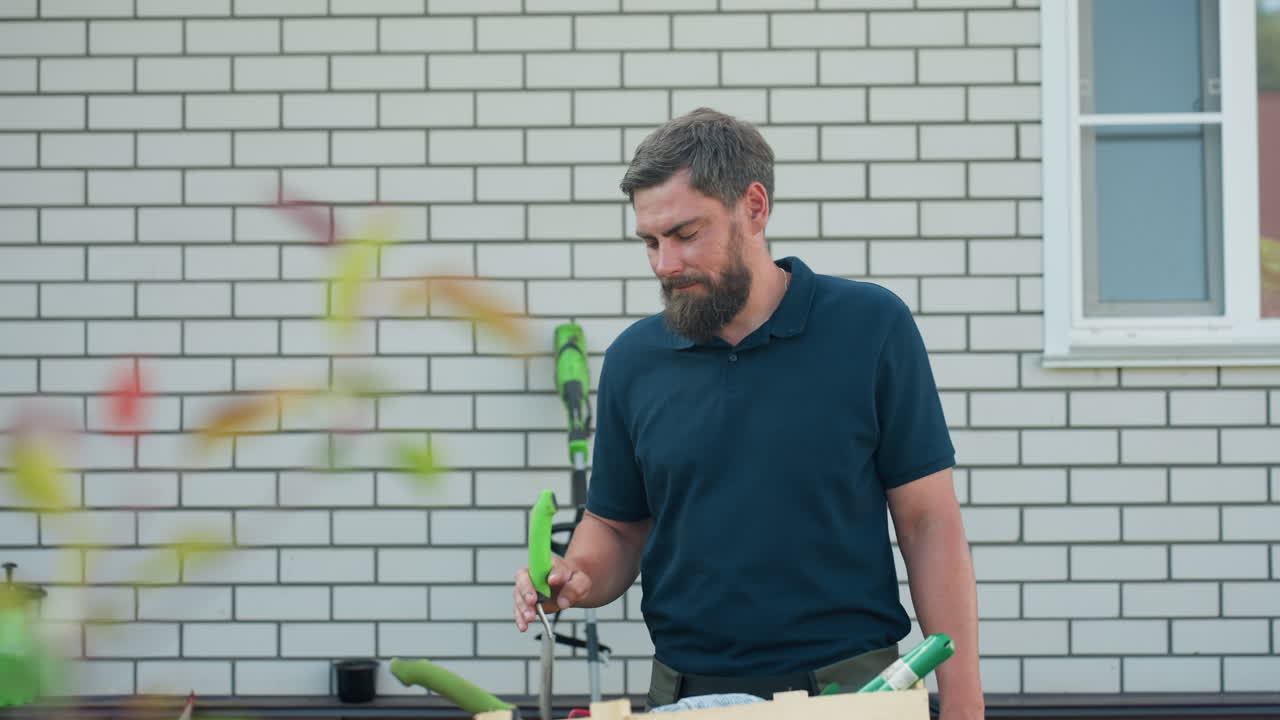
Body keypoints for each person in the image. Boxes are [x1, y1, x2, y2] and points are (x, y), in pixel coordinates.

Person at [513, 108, 983, 720]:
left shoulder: (870, 327)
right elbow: (620, 526)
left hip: (853, 693)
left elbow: (928, 526)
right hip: (684, 696)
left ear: (754, 209)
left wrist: (965, 704)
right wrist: (574, 574)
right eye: (650, 242)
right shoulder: (634, 359)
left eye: (685, 234)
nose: (664, 264)